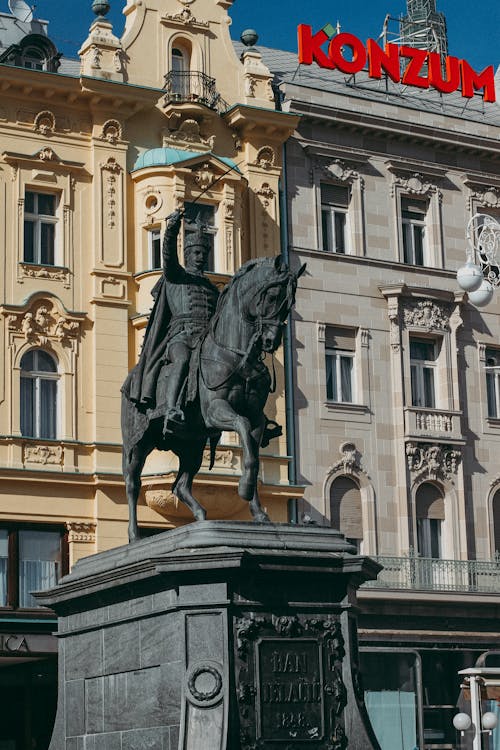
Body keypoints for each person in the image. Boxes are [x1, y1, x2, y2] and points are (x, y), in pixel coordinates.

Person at [122, 208, 219, 433]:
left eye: (203, 253)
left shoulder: (213, 289)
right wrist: (172, 229)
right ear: (187, 254)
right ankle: (172, 407)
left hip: (206, 340)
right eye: (195, 252)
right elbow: (167, 256)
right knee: (183, 360)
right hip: (181, 337)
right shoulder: (177, 276)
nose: (200, 257)